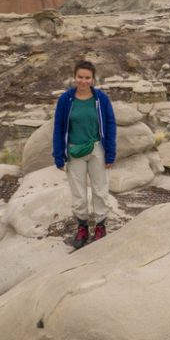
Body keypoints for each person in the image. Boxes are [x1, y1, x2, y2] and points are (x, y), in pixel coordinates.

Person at [52, 60, 117, 249]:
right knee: (78, 193)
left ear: (93, 79)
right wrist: (58, 155)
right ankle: (82, 227)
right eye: (80, 77)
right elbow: (59, 127)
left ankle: (100, 226)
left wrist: (110, 154)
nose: (83, 81)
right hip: (74, 151)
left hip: (97, 150)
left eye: (87, 77)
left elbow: (110, 125)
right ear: (74, 77)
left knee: (100, 190)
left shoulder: (101, 99)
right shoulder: (66, 100)